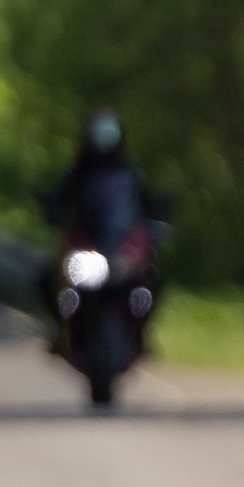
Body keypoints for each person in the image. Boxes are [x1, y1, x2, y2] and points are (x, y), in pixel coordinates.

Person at [39, 109, 168, 342]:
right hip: (87, 245)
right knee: (47, 279)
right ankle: (60, 333)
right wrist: (53, 214)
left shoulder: (131, 174)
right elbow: (58, 200)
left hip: (122, 249)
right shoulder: (79, 172)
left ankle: (142, 334)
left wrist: (157, 224)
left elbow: (150, 205)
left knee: (153, 280)